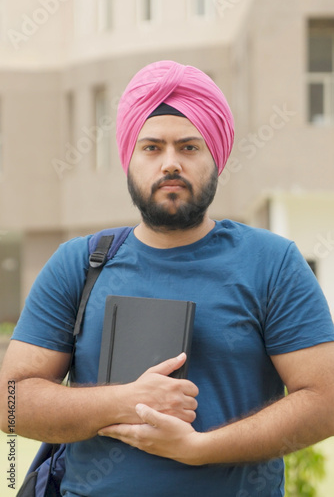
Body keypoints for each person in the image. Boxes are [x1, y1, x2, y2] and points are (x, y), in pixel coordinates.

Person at [1, 60, 334, 497]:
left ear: (216, 157)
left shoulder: (271, 262)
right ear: (129, 158)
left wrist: (200, 448)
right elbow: (10, 404)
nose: (171, 163)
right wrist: (125, 401)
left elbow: (326, 399)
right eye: (152, 147)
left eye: (189, 147)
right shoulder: (79, 264)